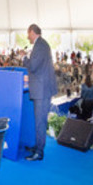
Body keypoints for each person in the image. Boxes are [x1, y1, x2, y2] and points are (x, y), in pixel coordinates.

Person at [23, 24, 58, 161]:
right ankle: (38, 146)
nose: (27, 37)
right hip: (42, 88)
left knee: (40, 121)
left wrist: (23, 58)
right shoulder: (41, 44)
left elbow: (33, 66)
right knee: (39, 120)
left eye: (28, 34)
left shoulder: (40, 45)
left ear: (32, 32)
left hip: (42, 90)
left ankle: (39, 152)